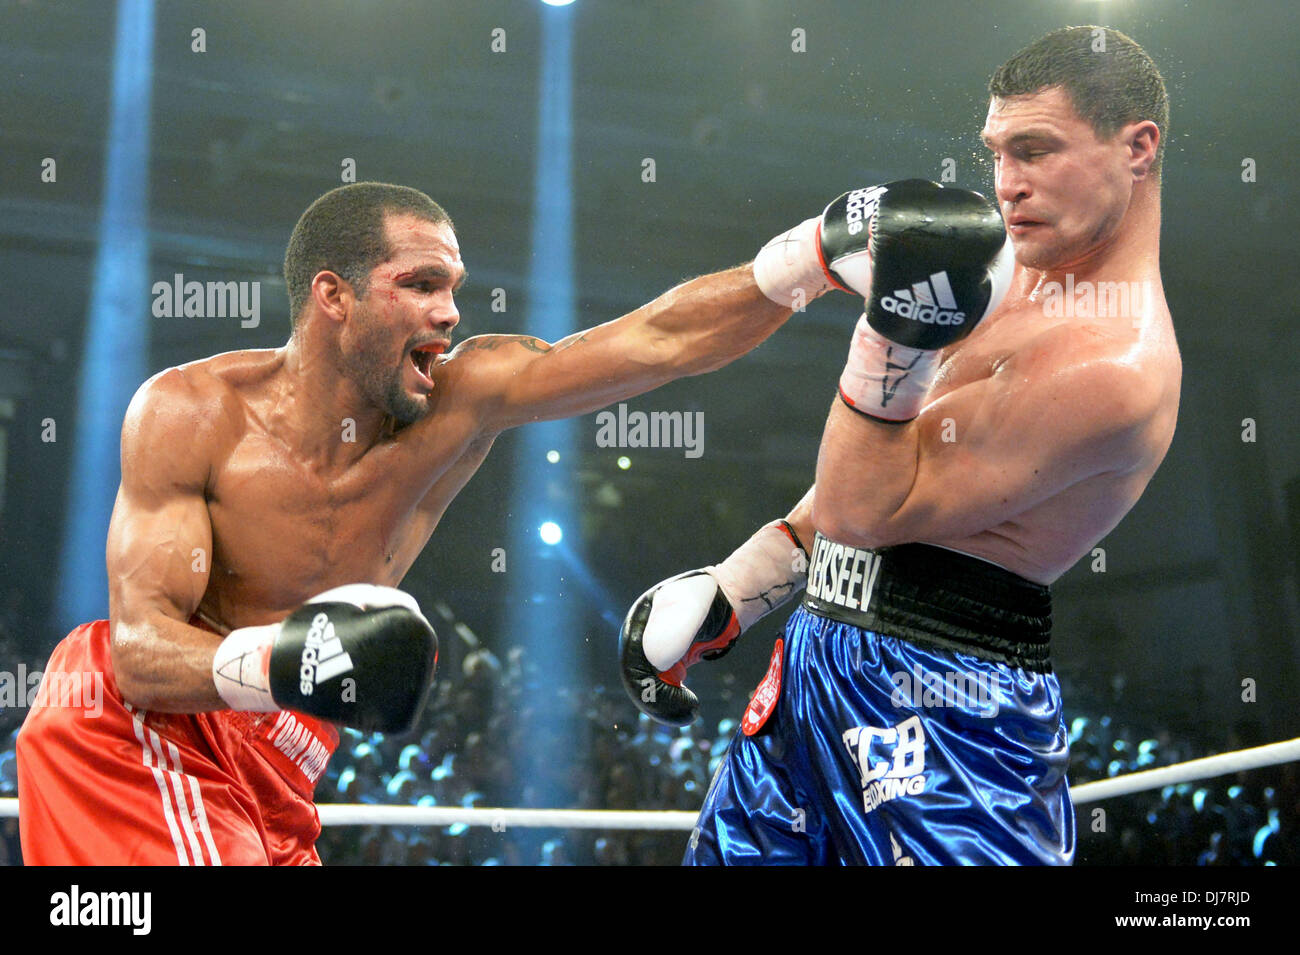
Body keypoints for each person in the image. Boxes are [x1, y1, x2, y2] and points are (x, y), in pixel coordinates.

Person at [16, 179, 875, 865]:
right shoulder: (192, 411)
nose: (449, 312)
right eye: (420, 285)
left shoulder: (464, 400)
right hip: (133, 731)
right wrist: (294, 661)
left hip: (281, 763)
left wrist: (811, 256)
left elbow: (659, 341)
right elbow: (139, 657)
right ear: (333, 297)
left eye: (452, 288)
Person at [621, 26, 1180, 865]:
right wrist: (738, 586)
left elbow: (863, 504)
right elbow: (878, 475)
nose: (1006, 183)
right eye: (996, 151)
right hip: (820, 650)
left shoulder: (1114, 366)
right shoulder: (1005, 263)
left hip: (950, 703)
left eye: (1035, 150)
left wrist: (891, 336)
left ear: (1137, 148)